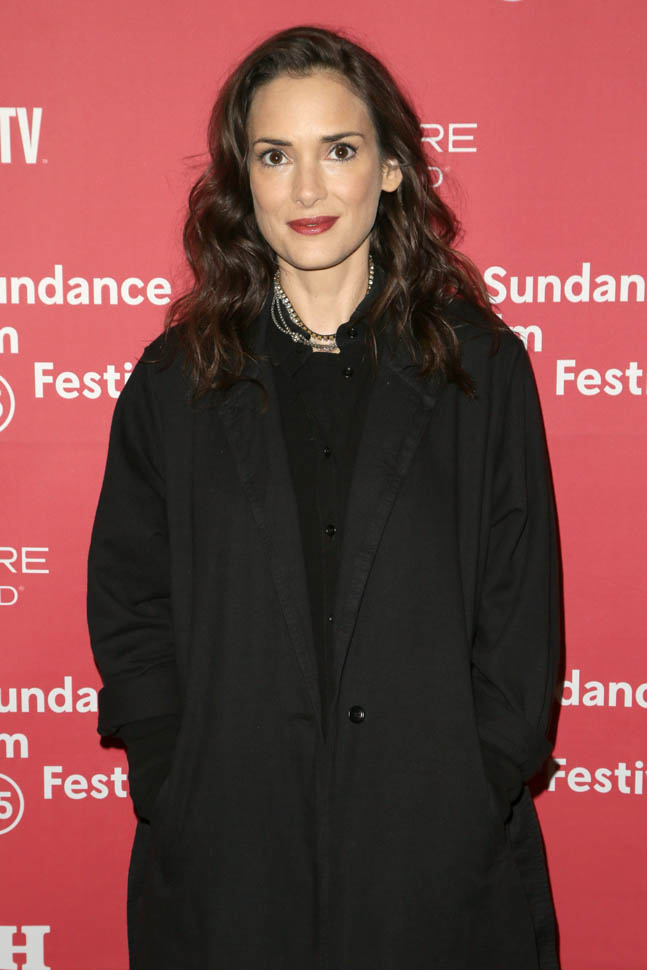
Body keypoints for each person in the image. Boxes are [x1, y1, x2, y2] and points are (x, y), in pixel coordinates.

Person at [87, 23, 563, 970]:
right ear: (243, 180)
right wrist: (171, 773)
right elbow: (132, 602)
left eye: (338, 150)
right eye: (275, 156)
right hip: (228, 856)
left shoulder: (478, 368)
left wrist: (479, 780)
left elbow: (519, 609)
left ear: (390, 169)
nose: (307, 189)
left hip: (435, 856)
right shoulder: (175, 382)